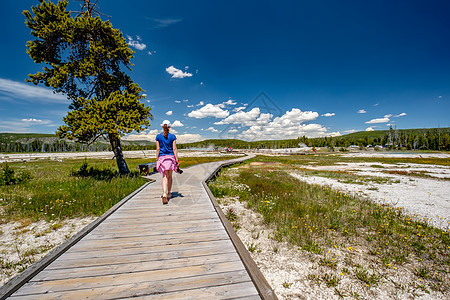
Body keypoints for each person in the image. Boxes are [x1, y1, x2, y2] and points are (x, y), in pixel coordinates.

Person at [155, 120, 179, 204]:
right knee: (170, 176)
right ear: (169, 127)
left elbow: (158, 149)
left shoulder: (158, 136)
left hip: (162, 158)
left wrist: (157, 158)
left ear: (162, 126)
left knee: (164, 176)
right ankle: (169, 193)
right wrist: (177, 160)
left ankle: (164, 194)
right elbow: (174, 149)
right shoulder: (173, 136)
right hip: (171, 158)